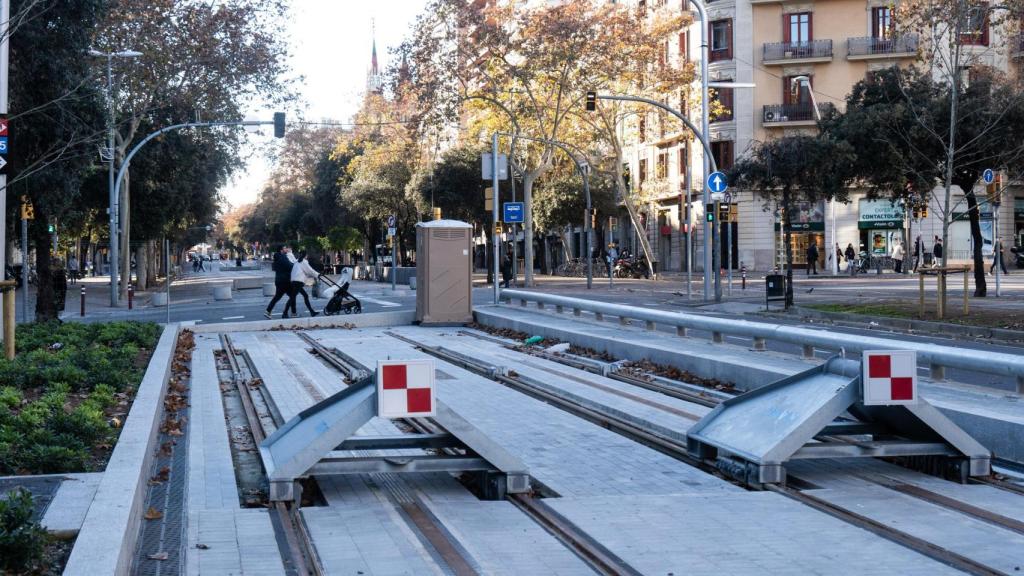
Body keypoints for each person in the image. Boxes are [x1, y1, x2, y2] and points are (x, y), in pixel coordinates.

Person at [286, 250, 320, 317]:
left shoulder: (297, 261)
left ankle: (311, 312)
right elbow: (309, 270)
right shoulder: (303, 262)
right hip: (298, 282)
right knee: (292, 298)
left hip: (294, 281)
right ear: (305, 255)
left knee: (304, 296)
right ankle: (285, 313)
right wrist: (318, 274)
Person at [264, 245, 295, 319]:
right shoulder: (283, 257)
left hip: (278, 280)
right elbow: (289, 266)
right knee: (293, 296)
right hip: (285, 281)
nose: (286, 249)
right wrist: (295, 265)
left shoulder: (277, 258)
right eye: (284, 248)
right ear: (281, 250)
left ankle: (268, 311)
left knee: (277, 297)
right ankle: (288, 313)